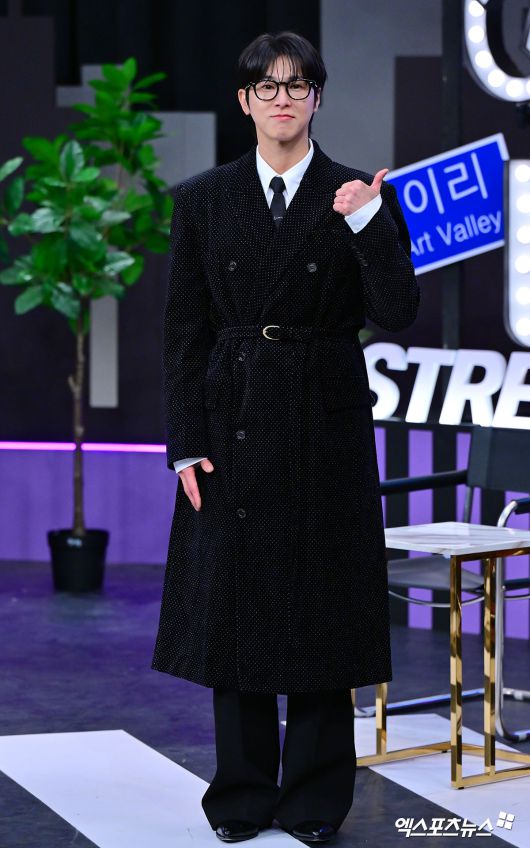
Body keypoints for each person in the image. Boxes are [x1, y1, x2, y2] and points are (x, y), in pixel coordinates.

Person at [151, 30, 420, 844]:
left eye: (296, 85)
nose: (282, 99)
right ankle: (239, 796)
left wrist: (368, 224)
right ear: (244, 101)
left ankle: (313, 799)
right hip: (230, 420)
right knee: (233, 610)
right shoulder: (203, 199)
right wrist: (185, 442)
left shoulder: (356, 193)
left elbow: (397, 311)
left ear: (316, 98)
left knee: (322, 611)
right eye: (266, 86)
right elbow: (183, 332)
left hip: (324, 418)